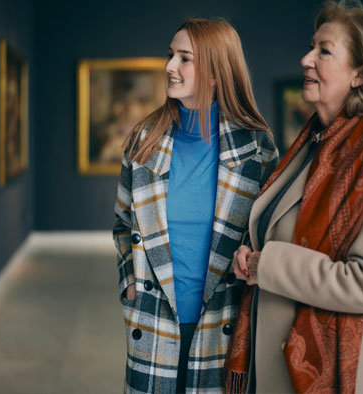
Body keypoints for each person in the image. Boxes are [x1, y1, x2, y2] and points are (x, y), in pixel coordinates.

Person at [226, 1, 363, 393]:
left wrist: (268, 265)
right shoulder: (313, 141)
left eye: (323, 51)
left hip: (340, 372)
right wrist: (249, 255)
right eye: (311, 47)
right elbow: (280, 229)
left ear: (361, 72)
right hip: (277, 364)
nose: (306, 59)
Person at [113, 18, 279, 393]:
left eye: (184, 58)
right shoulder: (143, 140)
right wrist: (129, 284)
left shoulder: (257, 149)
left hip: (224, 321)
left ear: (217, 72)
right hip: (153, 319)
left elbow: (270, 236)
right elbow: (123, 223)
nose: (170, 66)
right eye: (170, 55)